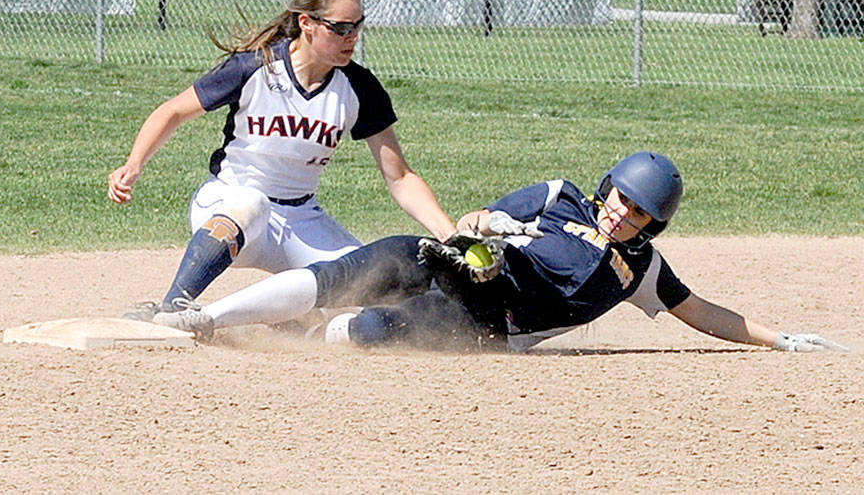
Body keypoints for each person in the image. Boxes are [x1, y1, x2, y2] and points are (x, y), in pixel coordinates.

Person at [153, 151, 847, 354]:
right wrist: (486, 230)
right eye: (619, 196)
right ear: (605, 186)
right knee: (368, 265)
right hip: (464, 267)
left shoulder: (639, 271)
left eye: (637, 210)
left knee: (370, 329)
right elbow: (482, 215)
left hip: (490, 325)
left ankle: (282, 329)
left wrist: (780, 339)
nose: (620, 210)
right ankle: (202, 316)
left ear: (651, 224)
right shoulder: (559, 195)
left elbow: (704, 313)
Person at [109, 0, 456, 320]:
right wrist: (134, 164)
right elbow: (172, 112)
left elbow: (399, 178)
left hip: (301, 217)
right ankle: (173, 306)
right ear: (306, 23)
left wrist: (451, 235)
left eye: (356, 26)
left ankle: (288, 323)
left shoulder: (359, 87)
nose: (351, 37)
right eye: (339, 28)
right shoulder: (255, 67)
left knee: (362, 284)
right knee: (252, 203)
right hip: (228, 203)